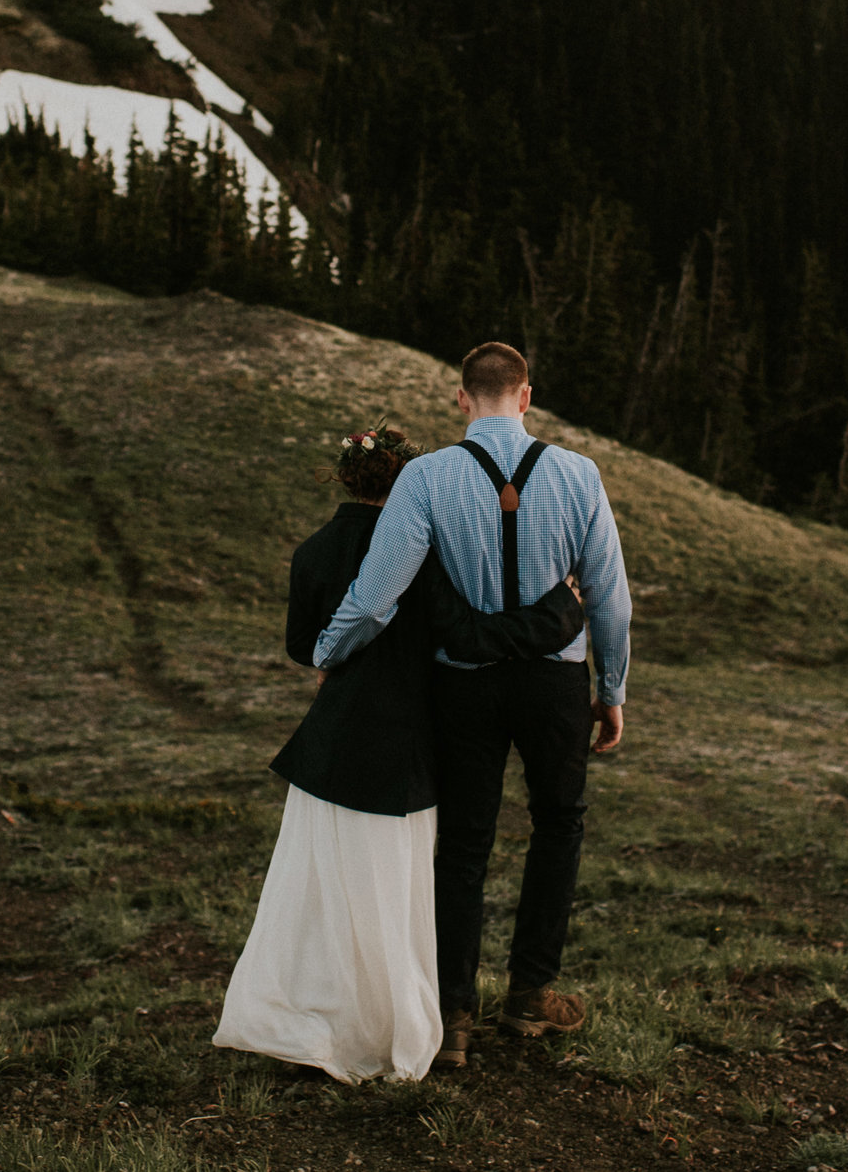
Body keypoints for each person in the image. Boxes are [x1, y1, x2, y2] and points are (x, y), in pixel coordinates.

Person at [214, 421, 582, 1083]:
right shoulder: (420, 551)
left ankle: (310, 1016)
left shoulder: (312, 550)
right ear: (406, 477)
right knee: (391, 896)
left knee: (321, 893)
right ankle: (385, 1027)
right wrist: (560, 614)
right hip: (408, 742)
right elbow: (464, 632)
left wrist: (333, 652)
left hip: (330, 744)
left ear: (345, 477)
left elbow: (304, 644)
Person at [311, 342, 631, 1072]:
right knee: (559, 823)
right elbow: (610, 597)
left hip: (465, 683)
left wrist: (329, 654)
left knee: (461, 844)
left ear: (462, 398)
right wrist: (610, 692)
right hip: (555, 686)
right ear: (526, 397)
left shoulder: (426, 477)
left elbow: (375, 594)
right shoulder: (579, 474)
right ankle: (530, 995)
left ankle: (452, 1015)